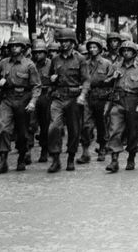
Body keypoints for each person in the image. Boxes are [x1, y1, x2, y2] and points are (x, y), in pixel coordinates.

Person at [0, 36, 41, 173]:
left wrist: (32, 102)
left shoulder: (29, 65)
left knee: (22, 132)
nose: (14, 48)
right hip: (7, 98)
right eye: (12, 45)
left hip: (23, 99)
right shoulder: (3, 63)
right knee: (3, 128)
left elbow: (36, 86)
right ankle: (3, 160)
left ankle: (21, 157)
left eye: (17, 45)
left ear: (23, 48)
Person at [46, 28, 90, 173]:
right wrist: (52, 79)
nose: (64, 44)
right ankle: (55, 159)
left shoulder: (80, 59)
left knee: (74, 129)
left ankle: (71, 157)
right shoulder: (55, 59)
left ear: (73, 42)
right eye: (62, 41)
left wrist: (82, 95)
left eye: (67, 41)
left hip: (73, 98)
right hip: (58, 97)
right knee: (54, 128)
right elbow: (50, 78)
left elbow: (86, 80)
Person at [106, 41, 138, 173]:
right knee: (114, 129)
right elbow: (106, 82)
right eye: (124, 50)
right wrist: (113, 77)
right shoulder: (116, 66)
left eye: (129, 50)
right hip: (118, 100)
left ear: (134, 53)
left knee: (133, 131)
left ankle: (131, 156)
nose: (126, 53)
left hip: (133, 101)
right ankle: (114, 160)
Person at [80, 37, 114, 164]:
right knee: (85, 124)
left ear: (100, 49)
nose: (92, 50)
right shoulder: (84, 63)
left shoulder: (107, 64)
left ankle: (102, 148)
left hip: (102, 97)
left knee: (102, 124)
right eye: (90, 47)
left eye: (95, 47)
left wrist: (106, 83)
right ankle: (85, 151)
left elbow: (112, 81)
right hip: (88, 96)